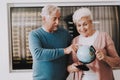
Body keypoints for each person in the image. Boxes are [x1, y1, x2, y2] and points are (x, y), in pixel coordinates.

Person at [67, 7, 120, 80]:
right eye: (79, 25)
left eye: (85, 24)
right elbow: (69, 66)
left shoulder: (104, 36)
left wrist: (105, 58)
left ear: (91, 22)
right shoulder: (75, 41)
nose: (82, 28)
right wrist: (72, 67)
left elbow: (117, 62)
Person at [28, 5, 74, 80]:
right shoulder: (34, 35)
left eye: (59, 18)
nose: (57, 22)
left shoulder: (65, 34)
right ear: (44, 18)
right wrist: (64, 51)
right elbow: (38, 54)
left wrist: (72, 65)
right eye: (54, 19)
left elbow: (72, 53)